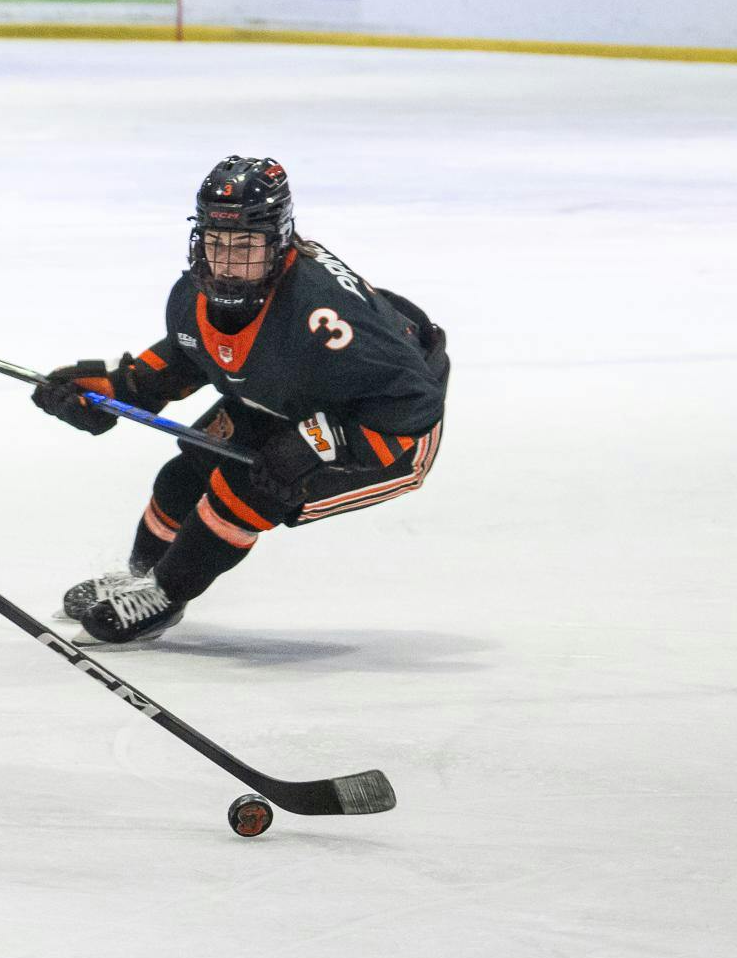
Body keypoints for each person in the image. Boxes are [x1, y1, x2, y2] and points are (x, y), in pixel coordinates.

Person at [31, 158, 448, 645]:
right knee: (183, 476)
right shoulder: (194, 293)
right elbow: (193, 353)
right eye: (216, 242)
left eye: (246, 245)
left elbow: (413, 403)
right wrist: (118, 388)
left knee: (247, 488)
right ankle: (140, 577)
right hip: (288, 399)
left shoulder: (324, 313)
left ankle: (165, 594)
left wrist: (317, 444)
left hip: (384, 432)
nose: (228, 262)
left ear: (280, 239)